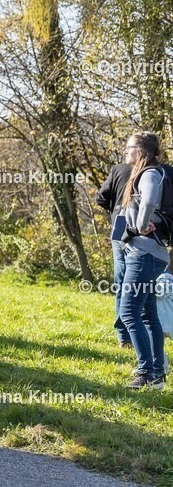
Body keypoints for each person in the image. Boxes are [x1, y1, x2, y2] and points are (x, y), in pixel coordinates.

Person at [118, 132, 169, 389]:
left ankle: (146, 372)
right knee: (149, 315)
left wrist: (140, 224)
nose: (125, 151)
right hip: (148, 253)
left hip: (144, 254)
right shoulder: (147, 172)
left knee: (128, 312)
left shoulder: (149, 173)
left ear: (141, 150)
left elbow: (148, 199)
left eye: (129, 147)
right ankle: (157, 375)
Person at [97, 161, 133, 347]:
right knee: (143, 282)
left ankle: (124, 336)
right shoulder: (159, 170)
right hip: (150, 229)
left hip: (121, 224)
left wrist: (115, 210)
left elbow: (101, 197)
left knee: (123, 280)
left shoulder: (120, 169)